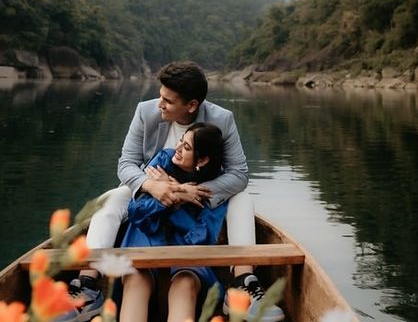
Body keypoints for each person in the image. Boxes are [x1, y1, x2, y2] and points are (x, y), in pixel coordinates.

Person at [59, 61, 284, 322]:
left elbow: (239, 174)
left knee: (243, 199)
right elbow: (126, 164)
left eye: (168, 100)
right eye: (160, 96)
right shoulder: (145, 112)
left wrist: (190, 191)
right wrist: (154, 186)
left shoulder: (221, 120)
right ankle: (87, 282)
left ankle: (245, 281)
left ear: (191, 105)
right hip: (149, 196)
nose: (159, 104)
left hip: (197, 202)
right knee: (110, 198)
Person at [119, 122, 228, 322]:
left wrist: (173, 194)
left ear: (202, 160)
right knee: (136, 280)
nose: (177, 149)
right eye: (181, 140)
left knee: (184, 283)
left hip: (188, 256)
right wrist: (178, 194)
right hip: (144, 240)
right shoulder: (163, 159)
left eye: (186, 147)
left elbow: (201, 237)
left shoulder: (215, 186)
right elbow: (136, 211)